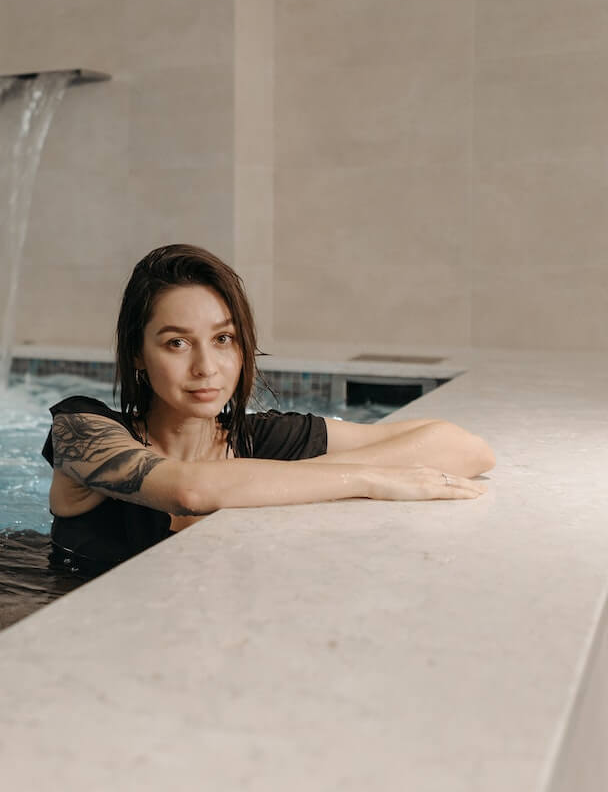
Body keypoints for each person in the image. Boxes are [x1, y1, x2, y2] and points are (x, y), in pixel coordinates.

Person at [43, 243, 495, 578]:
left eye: (223, 339)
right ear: (138, 353)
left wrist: (313, 471)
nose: (206, 368)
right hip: (18, 604)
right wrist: (364, 479)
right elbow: (190, 491)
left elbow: (467, 449)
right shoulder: (83, 430)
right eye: (176, 343)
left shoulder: (258, 440)